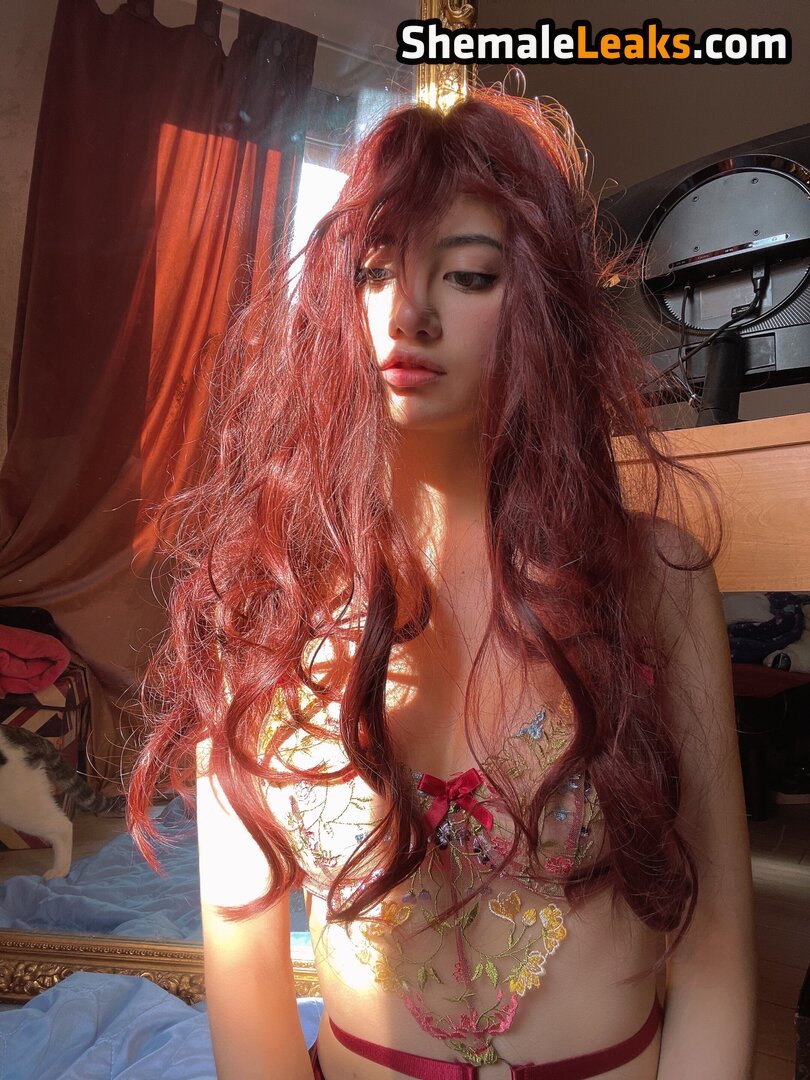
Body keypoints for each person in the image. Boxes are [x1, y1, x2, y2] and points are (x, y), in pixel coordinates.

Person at [128, 88, 756, 1080]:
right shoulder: (263, 604)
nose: (406, 313)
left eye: (467, 275)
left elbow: (717, 946)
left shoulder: (657, 583)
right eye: (374, 270)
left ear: (544, 304)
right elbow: (242, 966)